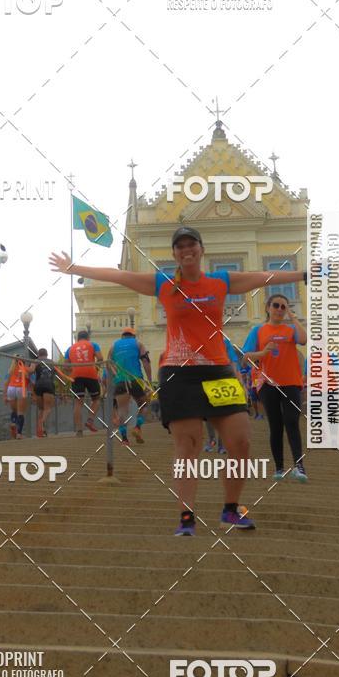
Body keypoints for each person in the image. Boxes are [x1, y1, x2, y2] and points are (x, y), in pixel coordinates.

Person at [50, 227, 307, 535]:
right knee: (188, 445)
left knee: (240, 440)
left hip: (218, 371)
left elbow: (264, 276)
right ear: (174, 254)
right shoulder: (164, 284)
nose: (186, 250)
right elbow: (120, 277)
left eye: (192, 244)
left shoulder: (221, 281)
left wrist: (303, 274)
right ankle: (186, 516)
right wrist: (73, 268)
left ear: (201, 249)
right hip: (179, 372)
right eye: (180, 246)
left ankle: (230, 509)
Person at [242, 293, 308, 482]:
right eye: (276, 305)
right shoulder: (258, 330)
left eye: (283, 306)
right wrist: (263, 352)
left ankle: (299, 467)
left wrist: (293, 317)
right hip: (268, 385)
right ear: (268, 308)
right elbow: (246, 357)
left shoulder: (290, 330)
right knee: (276, 426)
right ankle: (279, 468)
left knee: (292, 423)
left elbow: (303, 340)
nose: (279, 309)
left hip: (291, 383)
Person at [108, 327, 152, 446]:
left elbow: (108, 366)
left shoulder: (113, 346)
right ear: (133, 336)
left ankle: (124, 439)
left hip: (120, 381)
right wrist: (150, 381)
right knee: (144, 405)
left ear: (122, 336)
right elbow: (146, 362)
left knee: (122, 410)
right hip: (135, 379)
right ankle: (137, 427)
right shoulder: (138, 344)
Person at [64, 330, 103, 436]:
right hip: (91, 374)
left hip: (76, 376)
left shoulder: (70, 349)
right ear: (88, 338)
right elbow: (100, 358)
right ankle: (90, 420)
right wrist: (96, 367)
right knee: (96, 399)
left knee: (78, 403)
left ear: (77, 338)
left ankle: (79, 430)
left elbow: (66, 367)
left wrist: (72, 369)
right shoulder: (93, 345)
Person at [30, 348, 57, 437]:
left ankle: (42, 430)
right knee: (48, 408)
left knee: (41, 409)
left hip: (38, 385)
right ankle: (41, 423)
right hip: (49, 384)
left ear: (38, 354)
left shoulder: (36, 361)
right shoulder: (52, 362)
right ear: (47, 354)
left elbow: (31, 371)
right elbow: (59, 374)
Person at [4, 356, 33, 439]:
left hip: (11, 388)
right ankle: (19, 434)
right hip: (21, 388)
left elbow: (6, 383)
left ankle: (13, 422)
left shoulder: (11, 370)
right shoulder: (26, 369)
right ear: (25, 362)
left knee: (14, 410)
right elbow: (31, 382)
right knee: (20, 412)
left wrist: (5, 396)